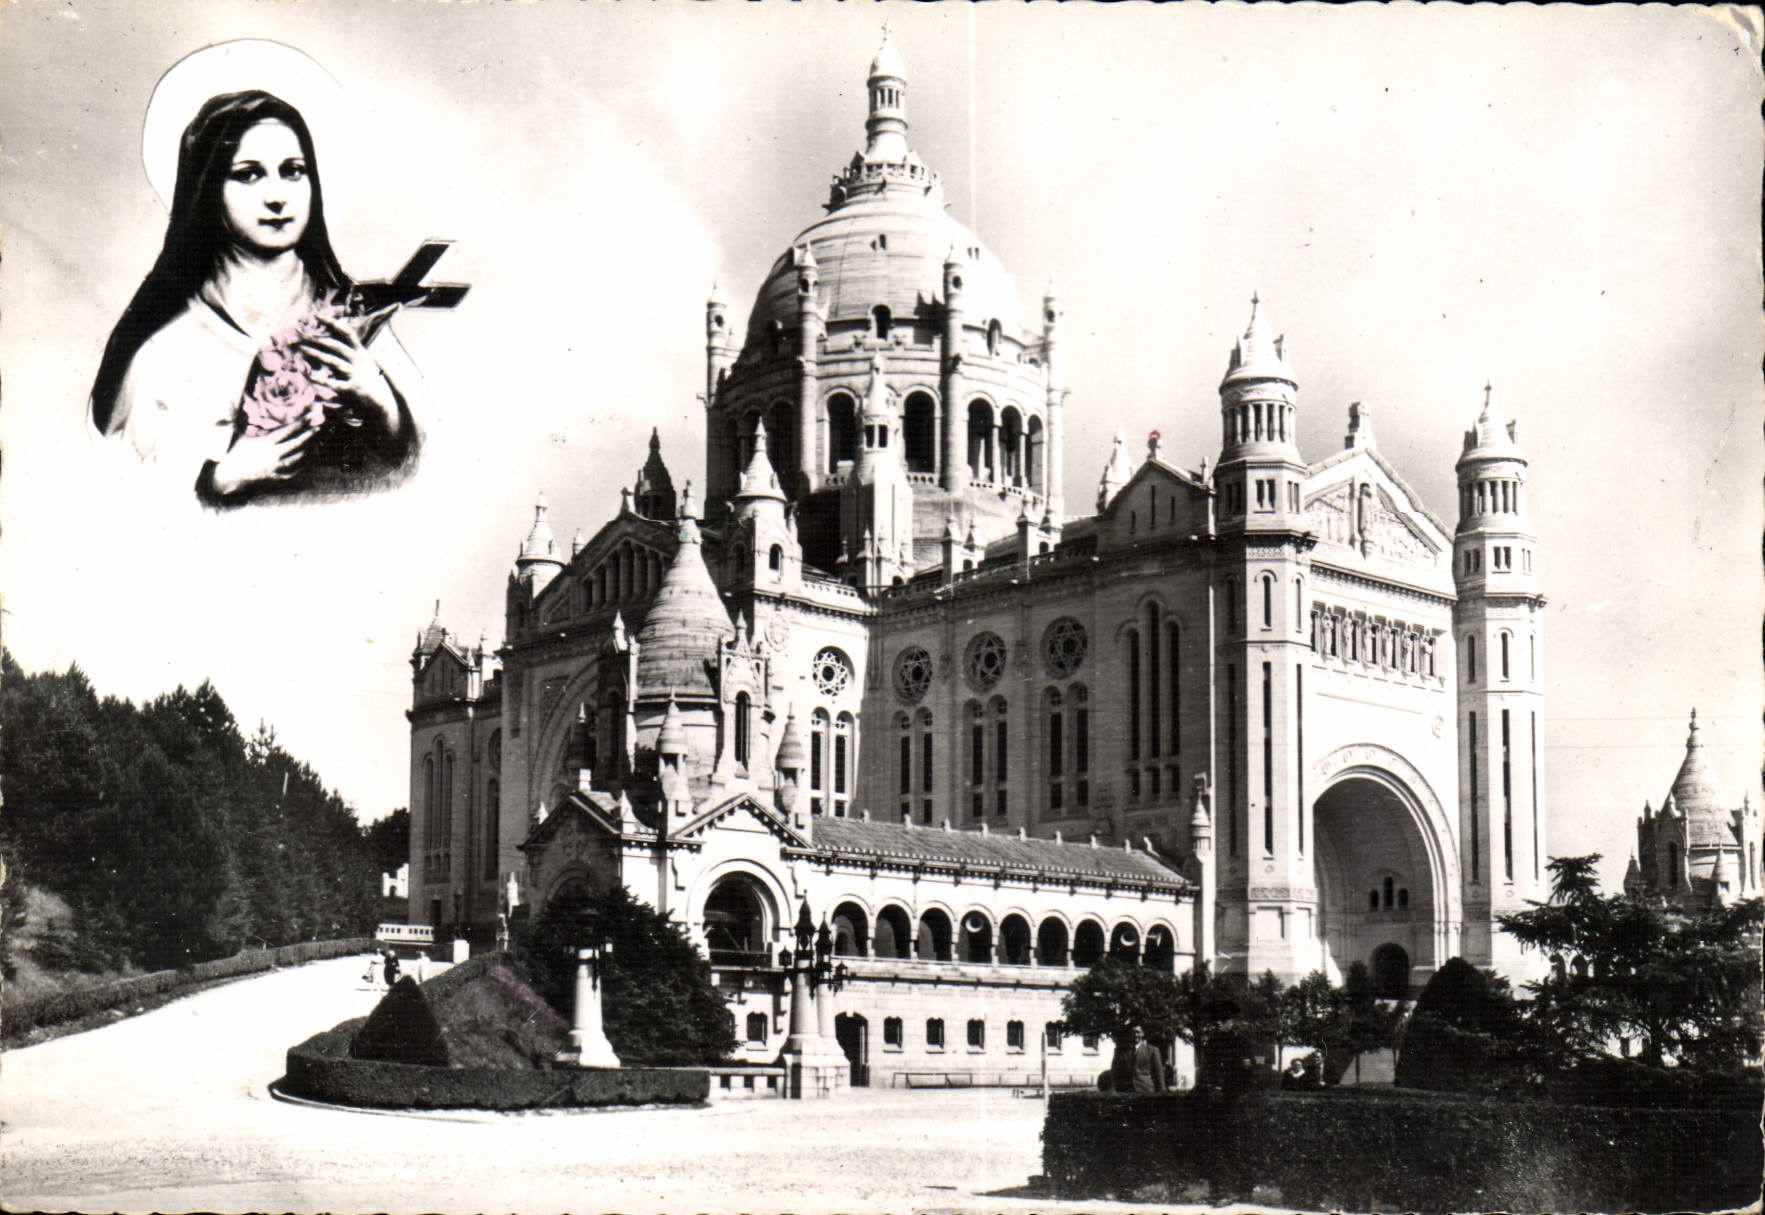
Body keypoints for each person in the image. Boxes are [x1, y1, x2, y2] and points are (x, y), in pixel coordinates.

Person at [90, 89, 420, 505]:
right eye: (248, 174)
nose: (277, 195)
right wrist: (221, 476)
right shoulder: (166, 352)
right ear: (209, 189)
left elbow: (423, 465)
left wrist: (377, 396)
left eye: (293, 170)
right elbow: (131, 489)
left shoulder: (353, 318)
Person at [1130, 1025, 1167, 1094]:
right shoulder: (1122, 1051)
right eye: (1133, 1032)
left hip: (1145, 1090)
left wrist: (1162, 1092)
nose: (1135, 1035)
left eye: (1138, 1032)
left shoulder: (1152, 1050)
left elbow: (1159, 1073)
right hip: (1126, 1091)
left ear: (1142, 1033)